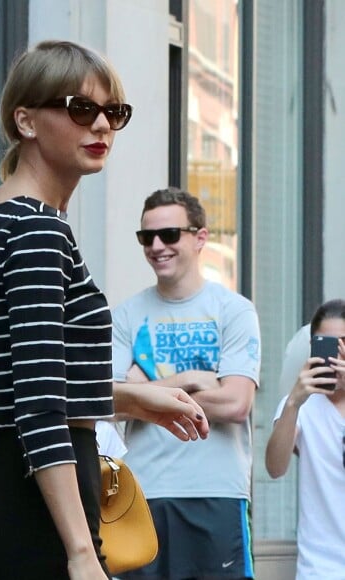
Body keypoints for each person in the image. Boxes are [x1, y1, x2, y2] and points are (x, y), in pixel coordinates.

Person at [0, 41, 208, 580]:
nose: (100, 126)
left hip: (16, 498)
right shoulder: (36, 229)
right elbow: (38, 402)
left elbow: (12, 379)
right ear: (25, 120)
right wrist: (78, 550)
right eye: (79, 108)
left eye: (112, 112)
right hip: (41, 516)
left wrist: (132, 398)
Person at [112, 187, 261, 580]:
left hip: (217, 493)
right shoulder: (126, 315)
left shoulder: (234, 310)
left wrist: (145, 389)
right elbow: (106, 401)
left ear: (200, 238)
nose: (157, 246)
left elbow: (235, 404)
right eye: (147, 237)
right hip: (141, 494)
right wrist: (192, 381)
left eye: (170, 235)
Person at [265, 299, 345, 580]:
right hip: (319, 569)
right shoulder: (300, 405)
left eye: (343, 344)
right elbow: (275, 468)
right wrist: (293, 404)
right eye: (327, 344)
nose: (336, 355)